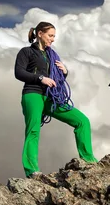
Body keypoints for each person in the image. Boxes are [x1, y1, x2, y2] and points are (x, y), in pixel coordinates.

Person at [14, 21, 98, 178]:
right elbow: (19, 73)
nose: (53, 39)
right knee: (33, 131)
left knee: (82, 121)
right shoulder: (27, 52)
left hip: (52, 97)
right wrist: (40, 78)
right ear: (40, 34)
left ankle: (88, 160)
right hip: (32, 94)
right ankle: (32, 170)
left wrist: (65, 72)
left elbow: (56, 77)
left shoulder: (51, 55)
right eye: (50, 35)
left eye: (54, 36)